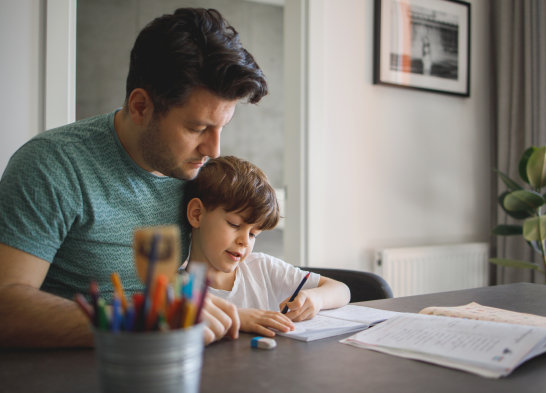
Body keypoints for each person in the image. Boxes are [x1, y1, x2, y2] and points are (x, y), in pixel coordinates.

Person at [0, 8, 268, 347]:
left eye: (221, 128)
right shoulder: (51, 166)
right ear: (141, 106)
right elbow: (6, 306)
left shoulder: (195, 176)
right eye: (196, 128)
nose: (213, 149)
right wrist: (144, 320)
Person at [185, 156, 351, 337]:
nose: (245, 241)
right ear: (197, 214)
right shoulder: (173, 286)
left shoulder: (263, 268)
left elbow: (342, 290)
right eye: (234, 224)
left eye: (253, 234)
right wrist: (239, 318)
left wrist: (316, 299)